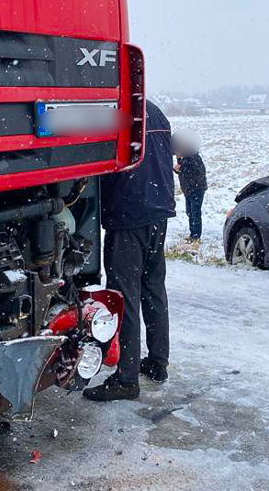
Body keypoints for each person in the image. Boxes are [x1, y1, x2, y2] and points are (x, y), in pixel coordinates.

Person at [83, 100, 176, 402]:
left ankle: (126, 378)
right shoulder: (155, 111)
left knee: (124, 297)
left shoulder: (113, 112)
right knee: (153, 289)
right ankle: (158, 363)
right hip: (157, 212)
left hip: (128, 214)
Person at [173, 131, 208, 242]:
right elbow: (182, 170)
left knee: (195, 213)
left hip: (196, 189)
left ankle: (195, 235)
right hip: (188, 189)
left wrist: (181, 167)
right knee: (190, 212)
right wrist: (178, 167)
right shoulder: (185, 156)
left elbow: (196, 171)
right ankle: (193, 233)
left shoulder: (193, 157)